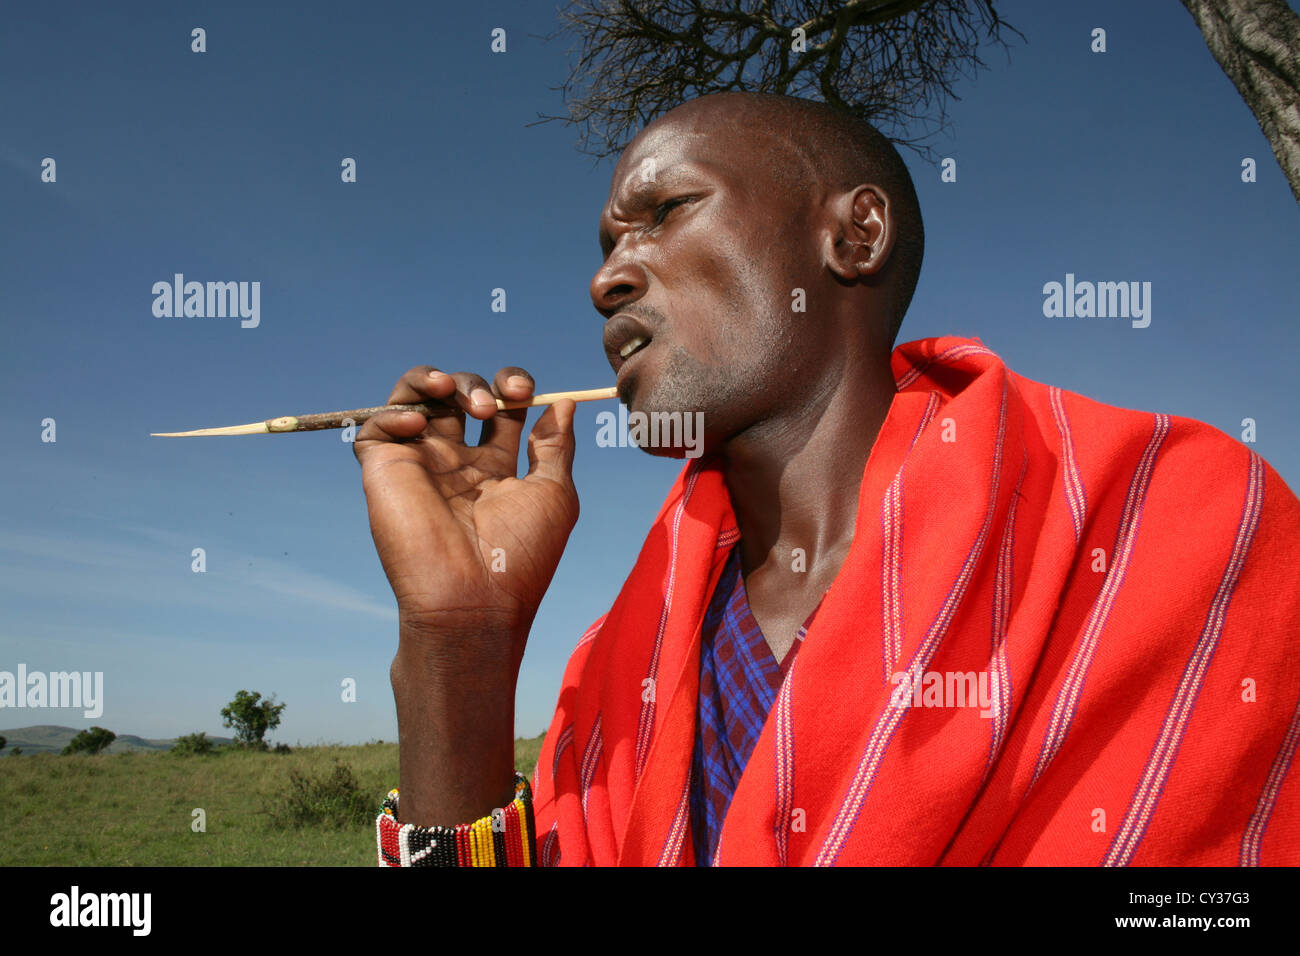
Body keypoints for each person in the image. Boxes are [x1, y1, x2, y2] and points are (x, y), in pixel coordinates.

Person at [357, 92, 1300, 866]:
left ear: (855, 237)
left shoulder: (1170, 523)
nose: (608, 279)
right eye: (607, 248)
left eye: (664, 214)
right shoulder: (621, 665)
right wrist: (459, 648)